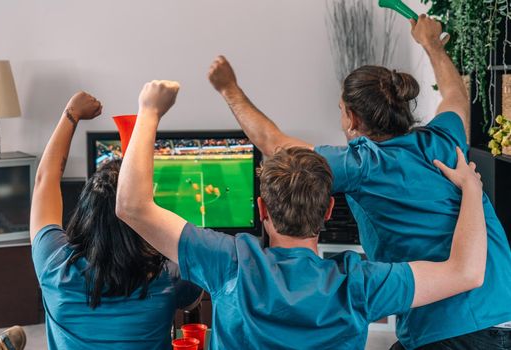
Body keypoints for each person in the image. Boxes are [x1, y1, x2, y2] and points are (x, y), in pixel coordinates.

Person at [206, 14, 511, 350]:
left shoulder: (364, 163)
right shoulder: (442, 138)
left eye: (340, 109)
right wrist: (431, 46)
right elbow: (455, 95)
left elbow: (274, 145)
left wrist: (228, 89)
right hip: (502, 310)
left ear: (352, 118)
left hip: (452, 328)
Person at [116, 80, 486, 349]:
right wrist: (470, 188)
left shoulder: (228, 261)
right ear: (328, 209)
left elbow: (131, 206)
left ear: (262, 209)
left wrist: (149, 110)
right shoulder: (361, 283)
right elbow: (467, 272)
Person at [30, 92, 202, 350]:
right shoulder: (169, 275)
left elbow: (46, 179)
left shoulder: (53, 265)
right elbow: (193, 302)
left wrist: (71, 114)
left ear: (87, 209)